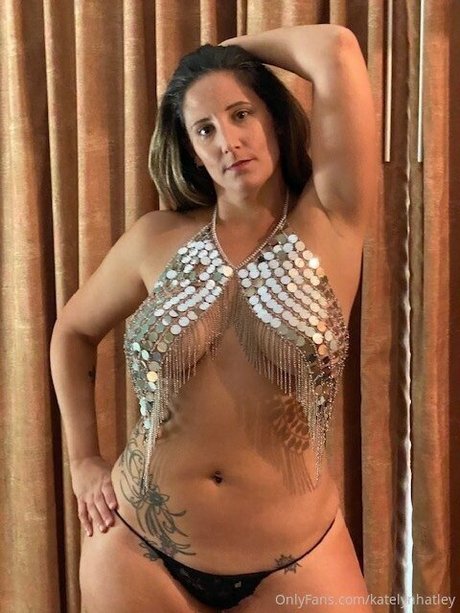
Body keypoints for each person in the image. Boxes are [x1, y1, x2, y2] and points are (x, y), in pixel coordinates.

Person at [50, 23, 378, 613]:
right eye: (205, 129)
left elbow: (336, 49)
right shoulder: (154, 238)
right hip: (138, 550)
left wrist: (223, 55)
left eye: (241, 114)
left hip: (297, 559)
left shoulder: (332, 218)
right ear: (191, 150)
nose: (228, 141)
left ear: (273, 119)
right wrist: (82, 460)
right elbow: (72, 333)